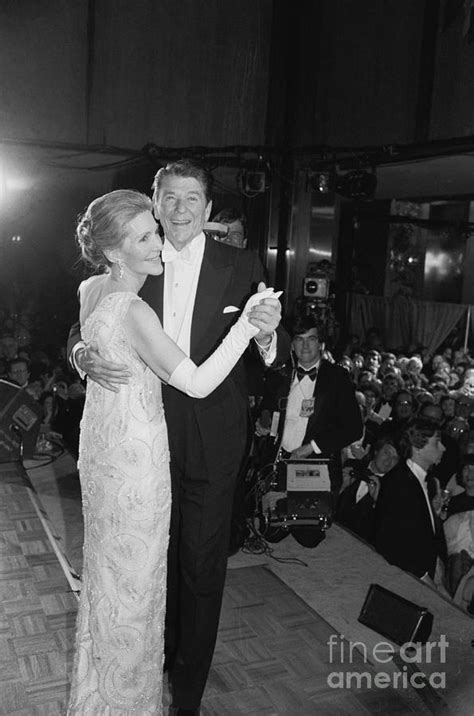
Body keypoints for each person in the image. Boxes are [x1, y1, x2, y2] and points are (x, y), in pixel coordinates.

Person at [68, 160, 289, 714]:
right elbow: (87, 323)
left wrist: (264, 337)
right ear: (156, 202)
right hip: (141, 441)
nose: (182, 209)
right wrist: (79, 355)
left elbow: (275, 352)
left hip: (212, 441)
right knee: (145, 565)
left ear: (209, 210)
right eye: (171, 198)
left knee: (200, 568)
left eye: (194, 199)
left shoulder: (241, 264)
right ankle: (145, 667)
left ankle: (185, 692)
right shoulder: (142, 256)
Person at [255, 315, 363, 545]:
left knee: (309, 538)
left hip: (314, 465)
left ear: (321, 344)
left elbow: (353, 428)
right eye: (299, 339)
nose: (305, 346)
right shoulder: (278, 375)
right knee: (271, 535)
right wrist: (262, 422)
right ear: (292, 345)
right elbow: (268, 409)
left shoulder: (337, 378)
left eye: (311, 339)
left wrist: (311, 447)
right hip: (279, 462)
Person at [374, 418, 446, 586]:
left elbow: (415, 526)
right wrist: (422, 576)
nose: (443, 448)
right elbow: (392, 541)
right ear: (417, 448)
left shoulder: (420, 479)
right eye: (437, 443)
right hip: (408, 578)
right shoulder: (399, 483)